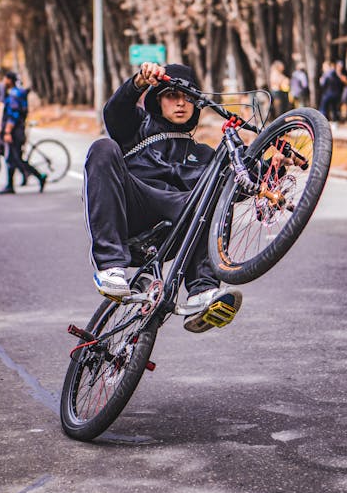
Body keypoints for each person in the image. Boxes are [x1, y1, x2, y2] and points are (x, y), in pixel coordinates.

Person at [84, 62, 242, 333]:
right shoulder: (137, 127)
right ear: (158, 100)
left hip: (177, 229)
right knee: (102, 147)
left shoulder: (206, 155)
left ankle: (202, 293)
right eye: (172, 96)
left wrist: (278, 165)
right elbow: (114, 112)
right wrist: (139, 82)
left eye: (188, 97)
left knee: (218, 186)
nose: (181, 103)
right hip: (134, 210)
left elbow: (243, 182)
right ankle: (111, 268)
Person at [0, 71, 47, 195]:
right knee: (12, 158)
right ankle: (10, 185)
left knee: (16, 159)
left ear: (9, 80)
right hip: (18, 130)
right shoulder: (16, 93)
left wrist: (7, 131)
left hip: (15, 131)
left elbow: (14, 115)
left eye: (5, 79)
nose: (3, 82)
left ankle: (40, 176)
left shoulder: (14, 94)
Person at [319, 60, 342, 126]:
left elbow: (323, 84)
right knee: (334, 109)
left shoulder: (326, 74)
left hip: (327, 94)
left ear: (327, 66)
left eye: (324, 66)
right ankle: (335, 123)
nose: (323, 68)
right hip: (336, 94)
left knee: (323, 108)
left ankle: (322, 124)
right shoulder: (336, 73)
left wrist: (321, 80)